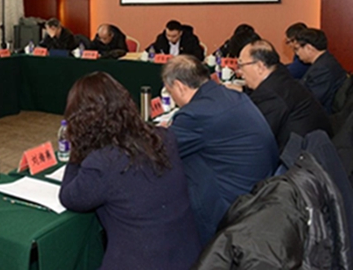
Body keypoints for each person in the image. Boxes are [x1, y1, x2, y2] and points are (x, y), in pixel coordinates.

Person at [59, 72, 201, 270]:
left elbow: (69, 197)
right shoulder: (163, 136)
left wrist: (77, 150)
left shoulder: (102, 163)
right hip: (189, 256)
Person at [162, 55, 278, 245]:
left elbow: (160, 150)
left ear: (179, 86)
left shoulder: (196, 114)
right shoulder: (231, 95)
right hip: (258, 193)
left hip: (231, 206)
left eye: (170, 91)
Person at [236, 40, 332, 150]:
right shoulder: (280, 77)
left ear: (260, 67)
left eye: (241, 65)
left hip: (302, 155)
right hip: (312, 147)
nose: (239, 72)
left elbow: (254, 136)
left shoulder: (271, 95)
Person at [294, 28, 347, 113]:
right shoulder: (325, 61)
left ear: (309, 48)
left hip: (324, 115)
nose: (297, 53)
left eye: (297, 49)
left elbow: (311, 101)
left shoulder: (322, 69)